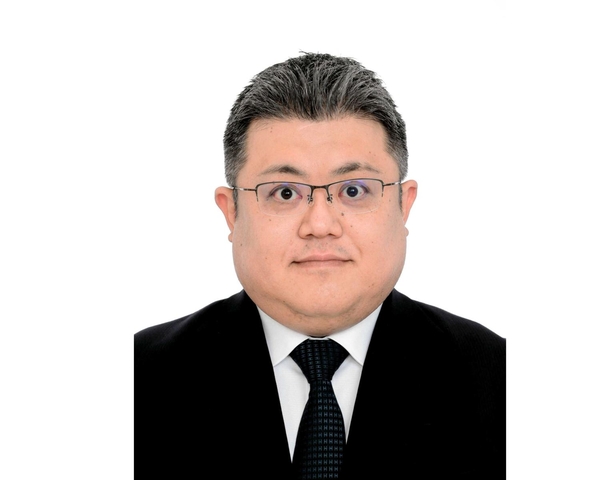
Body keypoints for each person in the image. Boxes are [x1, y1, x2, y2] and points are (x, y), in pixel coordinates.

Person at [134, 52, 505, 479]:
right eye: (285, 193)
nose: (321, 225)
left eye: (354, 190)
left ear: (404, 207)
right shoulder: (139, 378)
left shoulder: (499, 380)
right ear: (231, 213)